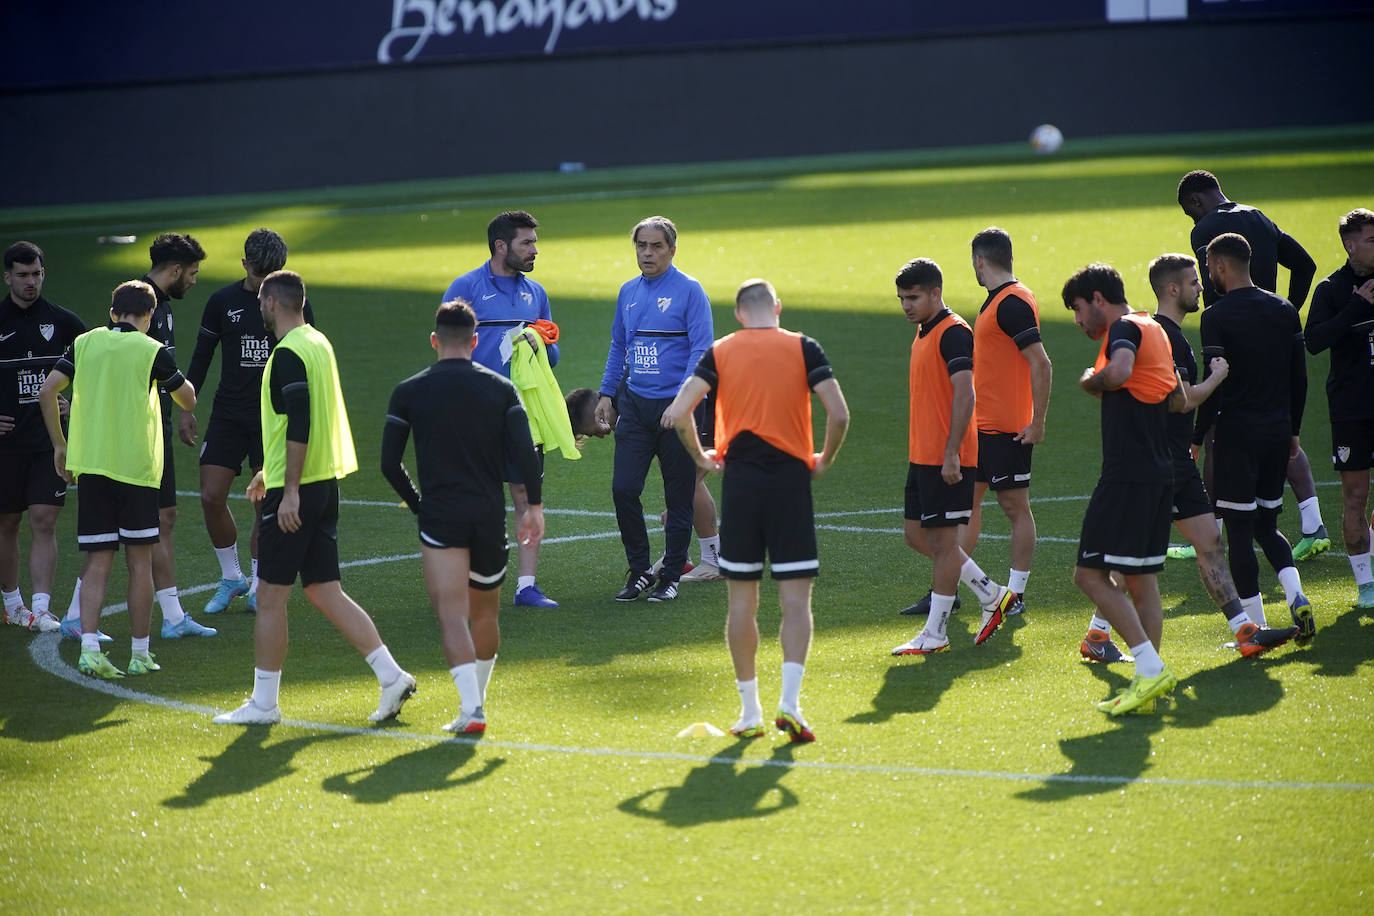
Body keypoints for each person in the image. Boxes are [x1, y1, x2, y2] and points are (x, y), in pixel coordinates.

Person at [213, 270, 415, 725]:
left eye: (261, 303)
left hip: (300, 492)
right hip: (323, 483)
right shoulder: (318, 342)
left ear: (271, 304)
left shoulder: (286, 353)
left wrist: (287, 493)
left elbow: (301, 421)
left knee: (268, 596)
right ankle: (391, 676)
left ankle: (264, 705)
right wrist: (269, 470)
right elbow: (304, 421)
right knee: (325, 591)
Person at [1078, 254, 1297, 663]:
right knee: (1136, 560)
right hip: (1157, 461)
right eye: (1194, 282)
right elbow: (1178, 401)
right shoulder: (1164, 335)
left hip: (1173, 459)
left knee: (1208, 542)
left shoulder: (1165, 333)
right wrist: (1217, 377)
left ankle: (1244, 631)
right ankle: (1117, 645)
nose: (1202, 286)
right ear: (1174, 289)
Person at [661, 278, 849, 743]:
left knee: (741, 600)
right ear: (777, 308)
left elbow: (681, 410)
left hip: (740, 485)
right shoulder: (804, 347)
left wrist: (704, 459)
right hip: (790, 484)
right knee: (795, 599)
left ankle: (749, 712)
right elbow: (839, 413)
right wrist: (823, 459)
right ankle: (791, 704)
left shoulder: (721, 351)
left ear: (739, 314)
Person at [381, 300, 546, 734]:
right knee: (485, 613)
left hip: (441, 517)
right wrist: (534, 508)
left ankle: (472, 710)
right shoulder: (499, 388)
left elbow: (388, 463)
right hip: (488, 515)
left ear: (435, 340)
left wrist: (419, 505)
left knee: (452, 616)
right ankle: (476, 704)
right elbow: (526, 454)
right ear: (475, 341)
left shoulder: (410, 391)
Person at [38, 280, 196, 678]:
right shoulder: (151, 350)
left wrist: (60, 445)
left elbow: (47, 390)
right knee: (139, 563)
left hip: (91, 468)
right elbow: (187, 398)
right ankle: (139, 654)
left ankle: (90, 649)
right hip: (136, 470)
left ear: (112, 313)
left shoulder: (85, 343)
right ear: (150, 317)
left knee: (96, 561)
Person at [1178, 169, 1329, 560]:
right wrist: (1287, 313)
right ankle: (1313, 524)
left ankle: (1211, 532)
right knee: (1280, 424)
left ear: (1195, 202)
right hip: (1274, 336)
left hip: (1232, 338)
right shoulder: (1260, 216)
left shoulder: (1206, 229)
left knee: (1216, 431)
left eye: (1189, 213)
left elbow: (1213, 290)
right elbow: (1306, 265)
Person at [901, 228, 1051, 617]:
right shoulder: (997, 301)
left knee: (1015, 506)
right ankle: (948, 588)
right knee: (965, 508)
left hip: (1007, 426)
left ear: (979, 261)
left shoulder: (1013, 303)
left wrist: (1037, 421)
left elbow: (1041, 362)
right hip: (980, 426)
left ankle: (1012, 595)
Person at [1063, 264, 1184, 715]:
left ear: (1098, 298)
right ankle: (1145, 680)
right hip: (1159, 471)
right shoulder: (1156, 328)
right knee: (1140, 580)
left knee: (1088, 575)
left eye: (1077, 309)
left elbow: (1118, 372)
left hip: (1127, 474)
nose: (1077, 321)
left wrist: (1089, 381)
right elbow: (1177, 397)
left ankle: (1150, 670)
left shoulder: (1125, 329)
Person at [181, 228, 314, 616]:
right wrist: (187, 408)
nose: (265, 287)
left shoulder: (293, 302)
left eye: (273, 275)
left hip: (272, 419)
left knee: (262, 504)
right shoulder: (222, 302)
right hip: (229, 414)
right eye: (259, 276)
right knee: (210, 495)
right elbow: (202, 356)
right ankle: (231, 577)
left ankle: (258, 583)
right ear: (244, 266)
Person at [888, 258, 1018, 656]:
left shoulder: (953, 333)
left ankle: (936, 631)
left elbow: (966, 393)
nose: (906, 306)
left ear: (935, 293)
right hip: (923, 454)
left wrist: (951, 455)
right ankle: (991, 593)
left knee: (945, 545)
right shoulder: (924, 331)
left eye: (913, 298)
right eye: (901, 299)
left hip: (949, 458)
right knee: (916, 535)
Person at [1197, 233, 1316, 644]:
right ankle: (1297, 595)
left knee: (1240, 533)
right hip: (1277, 431)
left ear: (1221, 266)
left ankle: (1256, 626)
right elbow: (1299, 379)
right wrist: (1294, 431)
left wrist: (1198, 437)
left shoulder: (1216, 316)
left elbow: (1213, 385)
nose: (1208, 274)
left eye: (1210, 267)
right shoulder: (1283, 309)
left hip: (1236, 435)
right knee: (1269, 525)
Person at [103, 232, 217, 640]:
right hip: (132, 435)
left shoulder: (161, 306)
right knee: (117, 529)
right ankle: (76, 615)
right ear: (174, 270)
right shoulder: (136, 305)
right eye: (192, 272)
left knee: (164, 518)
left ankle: (172, 618)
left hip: (157, 429)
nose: (194, 280)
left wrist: (181, 413)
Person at [442, 211, 559, 609]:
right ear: (500, 246)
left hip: (523, 414)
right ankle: (470, 581)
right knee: (476, 497)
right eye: (527, 243)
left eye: (534, 243)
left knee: (526, 495)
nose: (534, 250)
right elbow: (445, 347)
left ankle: (527, 586)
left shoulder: (536, 293)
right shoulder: (466, 288)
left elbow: (553, 354)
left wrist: (536, 344)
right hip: (475, 412)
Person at [595, 216, 714, 603]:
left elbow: (702, 351)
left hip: (677, 410)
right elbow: (618, 346)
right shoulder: (628, 291)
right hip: (636, 406)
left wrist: (681, 402)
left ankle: (671, 577)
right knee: (623, 489)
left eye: (656, 246)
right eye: (641, 246)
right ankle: (642, 570)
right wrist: (607, 395)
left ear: (672, 250)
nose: (647, 253)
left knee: (679, 496)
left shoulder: (690, 291)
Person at [1, 242, 86, 633]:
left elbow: (96, 372)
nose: (30, 282)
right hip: (6, 445)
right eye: (22, 275)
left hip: (50, 443)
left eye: (36, 274)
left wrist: (78, 406)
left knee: (44, 520)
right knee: (7, 523)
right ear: (7, 277)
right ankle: (12, 603)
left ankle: (41, 607)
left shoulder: (66, 323)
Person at [1305, 208, 1374, 609]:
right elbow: (1313, 341)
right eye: (1370, 239)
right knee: (1354, 495)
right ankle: (1365, 586)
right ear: (1349, 245)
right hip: (1352, 408)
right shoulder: (1332, 288)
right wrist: (1353, 308)